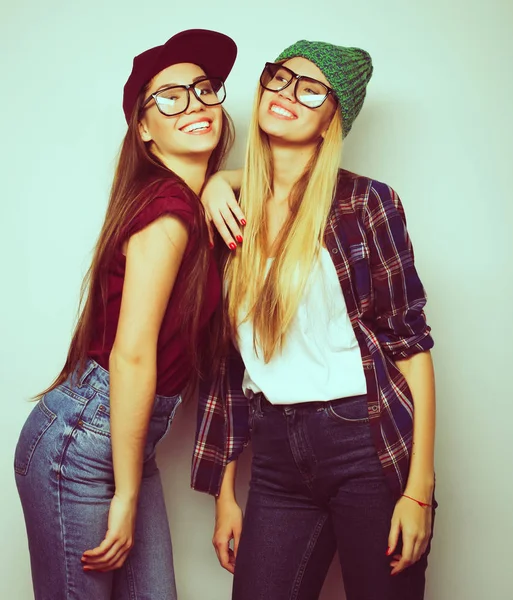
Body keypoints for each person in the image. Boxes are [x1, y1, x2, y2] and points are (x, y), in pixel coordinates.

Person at [192, 39, 436, 600]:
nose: (286, 94)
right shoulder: (231, 215)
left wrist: (419, 488)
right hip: (276, 454)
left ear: (333, 119)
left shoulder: (367, 204)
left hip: (365, 443)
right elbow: (229, 371)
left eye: (310, 89)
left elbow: (411, 347)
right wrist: (225, 494)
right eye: (279, 78)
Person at [14, 29, 236, 600]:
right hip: (83, 441)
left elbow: (293, 180)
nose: (194, 104)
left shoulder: (193, 205)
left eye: (205, 89)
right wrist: (128, 495)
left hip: (125, 439)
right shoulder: (166, 211)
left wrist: (221, 180)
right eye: (170, 97)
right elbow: (132, 355)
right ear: (144, 127)